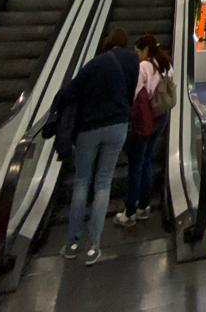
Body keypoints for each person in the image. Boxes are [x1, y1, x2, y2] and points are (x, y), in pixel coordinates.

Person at [60, 28, 139, 265]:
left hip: (90, 128)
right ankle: (94, 246)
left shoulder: (96, 64)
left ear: (107, 43)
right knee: (103, 183)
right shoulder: (133, 61)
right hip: (119, 126)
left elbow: (69, 92)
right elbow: (131, 93)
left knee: (83, 182)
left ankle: (73, 243)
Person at [114, 35, 173, 227]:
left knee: (136, 164)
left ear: (146, 49)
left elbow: (136, 96)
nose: (137, 55)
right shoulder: (166, 64)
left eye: (138, 51)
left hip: (145, 120)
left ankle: (130, 211)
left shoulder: (144, 67)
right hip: (161, 117)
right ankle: (144, 206)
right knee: (147, 158)